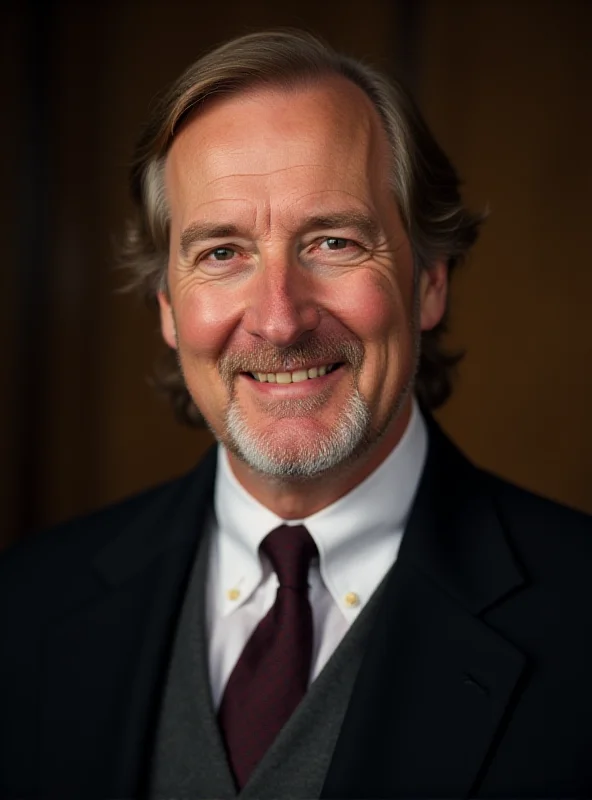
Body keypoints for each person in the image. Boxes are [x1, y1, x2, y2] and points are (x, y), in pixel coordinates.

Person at [1, 29, 591, 800]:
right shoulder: (24, 608)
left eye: (334, 241)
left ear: (430, 282)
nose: (280, 320)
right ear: (169, 308)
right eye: (222, 253)